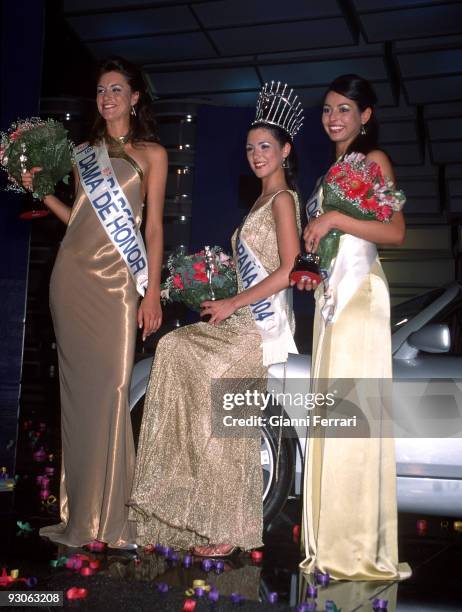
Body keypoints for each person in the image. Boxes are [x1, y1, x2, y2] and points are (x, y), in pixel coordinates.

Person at [128, 82, 303, 556]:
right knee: (172, 348)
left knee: (228, 409)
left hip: (256, 330)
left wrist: (232, 303)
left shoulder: (283, 199)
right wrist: (217, 292)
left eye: (266, 146)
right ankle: (181, 507)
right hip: (241, 319)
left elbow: (290, 270)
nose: (256, 154)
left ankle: (228, 526)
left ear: (286, 149)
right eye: (250, 148)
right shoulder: (259, 203)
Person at [21, 56, 168, 548]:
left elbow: (152, 228)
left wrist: (151, 293)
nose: (107, 98)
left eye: (116, 89)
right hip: (73, 277)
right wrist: (42, 193)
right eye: (101, 90)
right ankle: (80, 513)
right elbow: (80, 218)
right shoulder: (84, 152)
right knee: (77, 398)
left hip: (119, 285)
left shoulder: (152, 154)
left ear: (134, 98)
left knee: (111, 393)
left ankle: (110, 516)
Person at [295, 74, 411, 580]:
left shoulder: (374, 161)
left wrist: (335, 221)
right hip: (332, 299)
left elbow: (395, 231)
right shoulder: (330, 174)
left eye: (344, 108)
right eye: (327, 109)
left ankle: (355, 546)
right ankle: (332, 543)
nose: (333, 117)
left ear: (365, 115)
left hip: (361, 297)